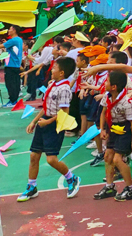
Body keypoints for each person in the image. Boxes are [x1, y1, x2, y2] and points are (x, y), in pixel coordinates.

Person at [18, 57, 81, 202]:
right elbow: (46, 107)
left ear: (62, 72)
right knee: (34, 156)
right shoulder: (52, 84)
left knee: (51, 159)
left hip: (54, 125)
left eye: (54, 68)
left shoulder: (65, 89)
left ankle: (72, 178)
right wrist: (34, 121)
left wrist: (48, 122)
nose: (51, 70)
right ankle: (31, 187)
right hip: (44, 121)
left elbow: (64, 113)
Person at [94, 70, 132, 201]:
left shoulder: (127, 102)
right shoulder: (107, 96)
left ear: (114, 87)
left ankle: (131, 189)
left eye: (107, 81)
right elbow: (103, 112)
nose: (104, 83)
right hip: (113, 127)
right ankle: (109, 187)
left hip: (125, 129)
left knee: (117, 159)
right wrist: (102, 129)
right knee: (108, 157)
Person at [0, 25, 23, 107]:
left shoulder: (13, 40)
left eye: (10, 29)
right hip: (16, 65)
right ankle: (13, 100)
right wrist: (6, 43)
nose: (8, 30)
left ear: (14, 30)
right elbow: (11, 50)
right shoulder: (19, 40)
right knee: (15, 83)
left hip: (11, 65)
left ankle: (13, 101)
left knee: (10, 84)